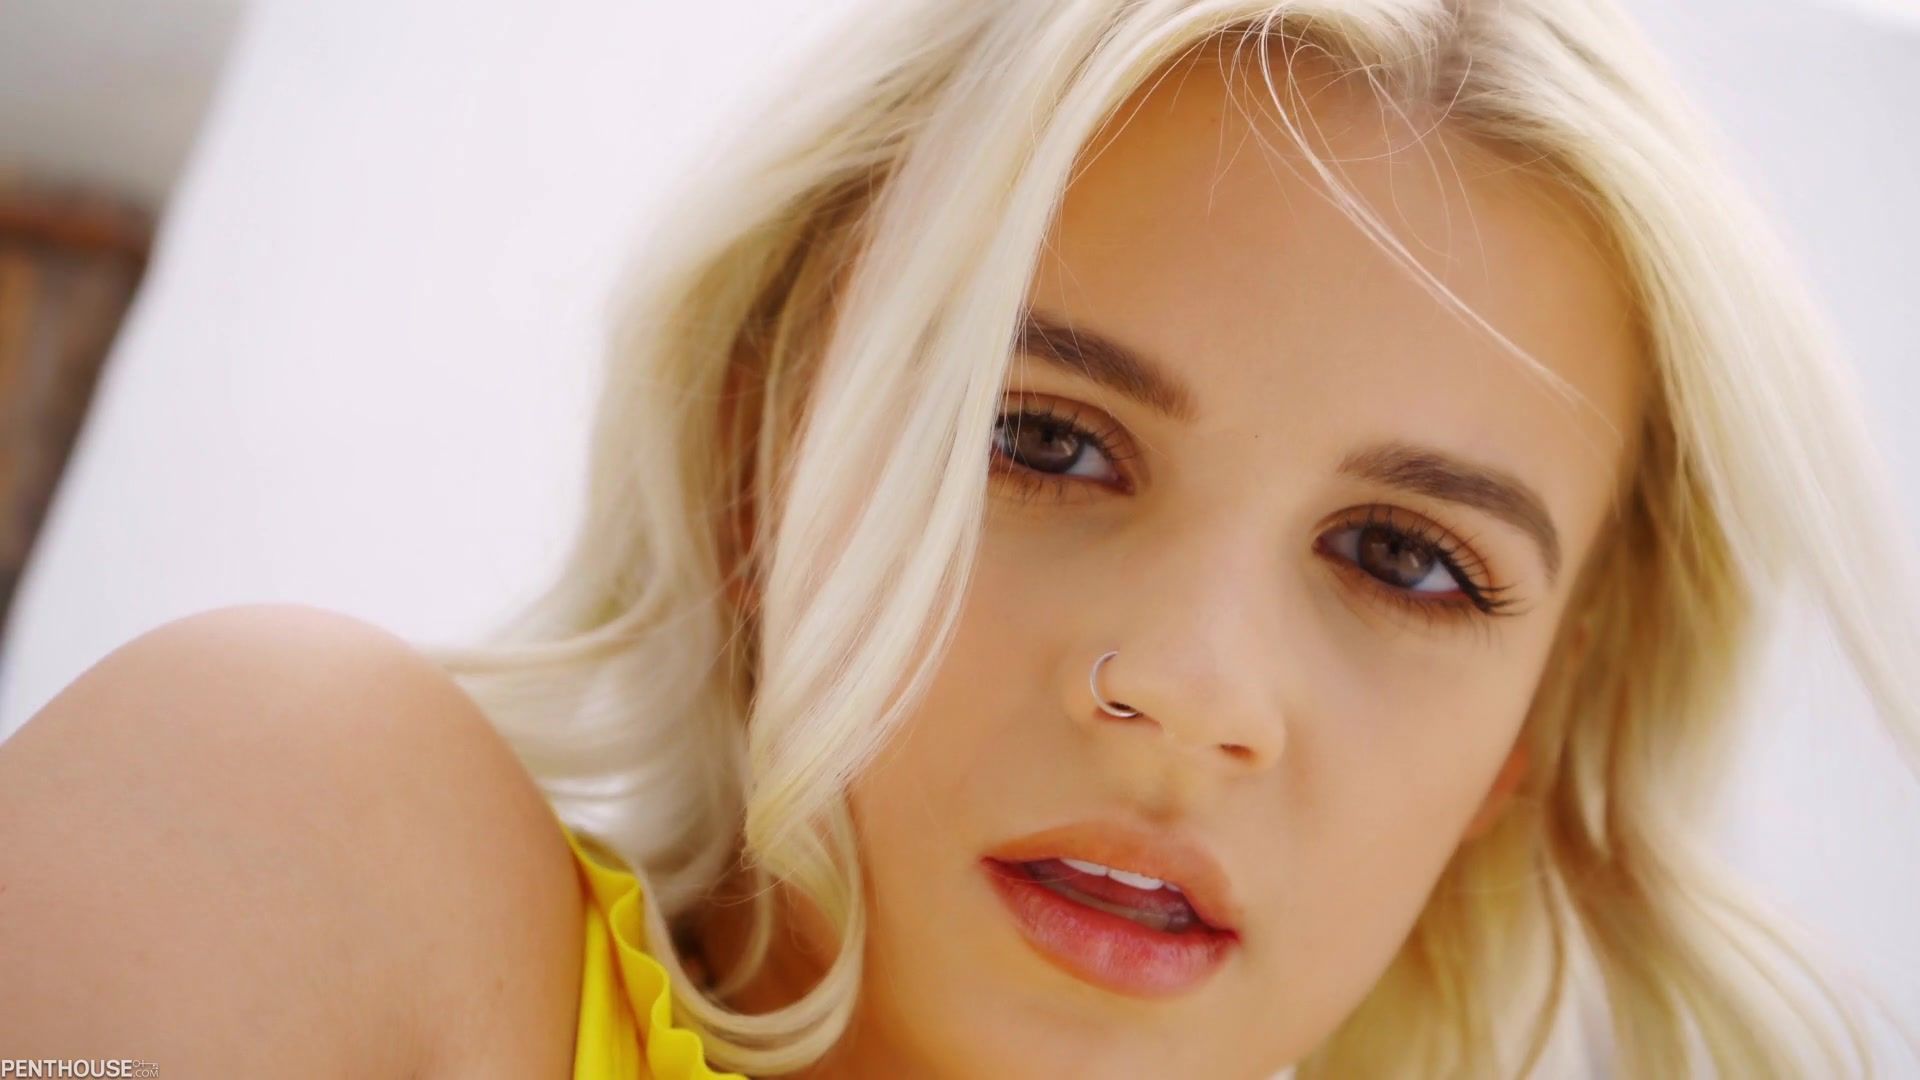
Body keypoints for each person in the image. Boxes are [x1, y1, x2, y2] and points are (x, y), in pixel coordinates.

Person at [4, 1, 1916, 1077]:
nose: (1189, 691)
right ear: (763, 463)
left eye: (1407, 560)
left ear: (1527, 735)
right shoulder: (289, 841)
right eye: (1045, 440)